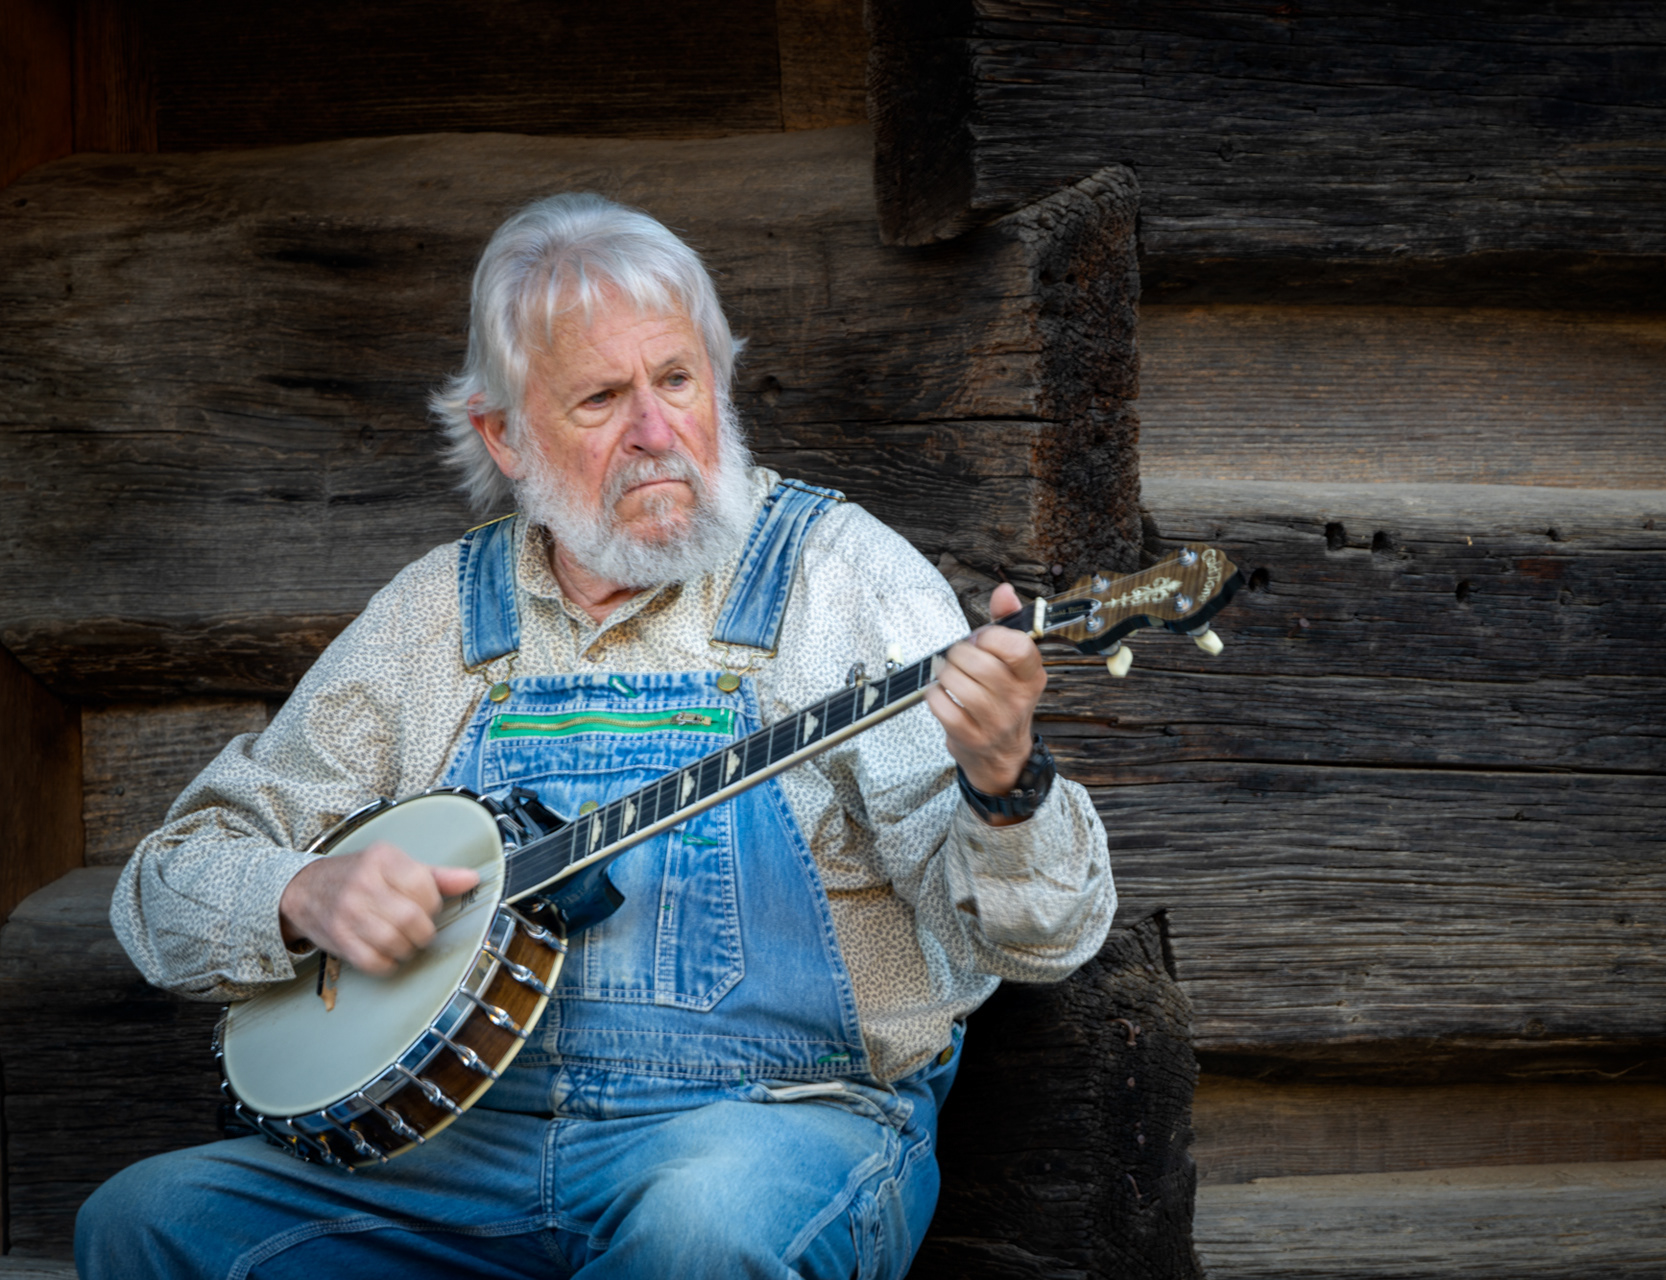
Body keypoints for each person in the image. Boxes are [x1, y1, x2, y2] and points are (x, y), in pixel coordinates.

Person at [78, 192, 1115, 1279]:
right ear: (505, 435)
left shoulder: (841, 581)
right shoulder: (437, 619)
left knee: (701, 1231)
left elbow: (1037, 939)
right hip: (451, 1158)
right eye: (600, 399)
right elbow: (165, 890)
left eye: (677, 380)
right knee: (146, 1219)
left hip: (762, 1126)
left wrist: (1006, 779)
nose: (657, 434)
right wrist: (301, 896)